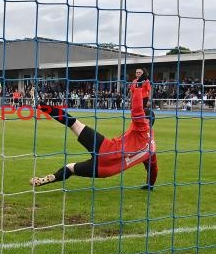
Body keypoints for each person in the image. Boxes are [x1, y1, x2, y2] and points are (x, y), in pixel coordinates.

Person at [30, 77, 158, 191]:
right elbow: (153, 169)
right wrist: (150, 185)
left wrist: (137, 89)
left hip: (106, 148)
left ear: (145, 120)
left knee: (73, 123)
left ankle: (40, 105)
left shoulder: (142, 126)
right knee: (70, 168)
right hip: (105, 170)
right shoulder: (152, 148)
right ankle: (48, 178)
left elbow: (137, 111)